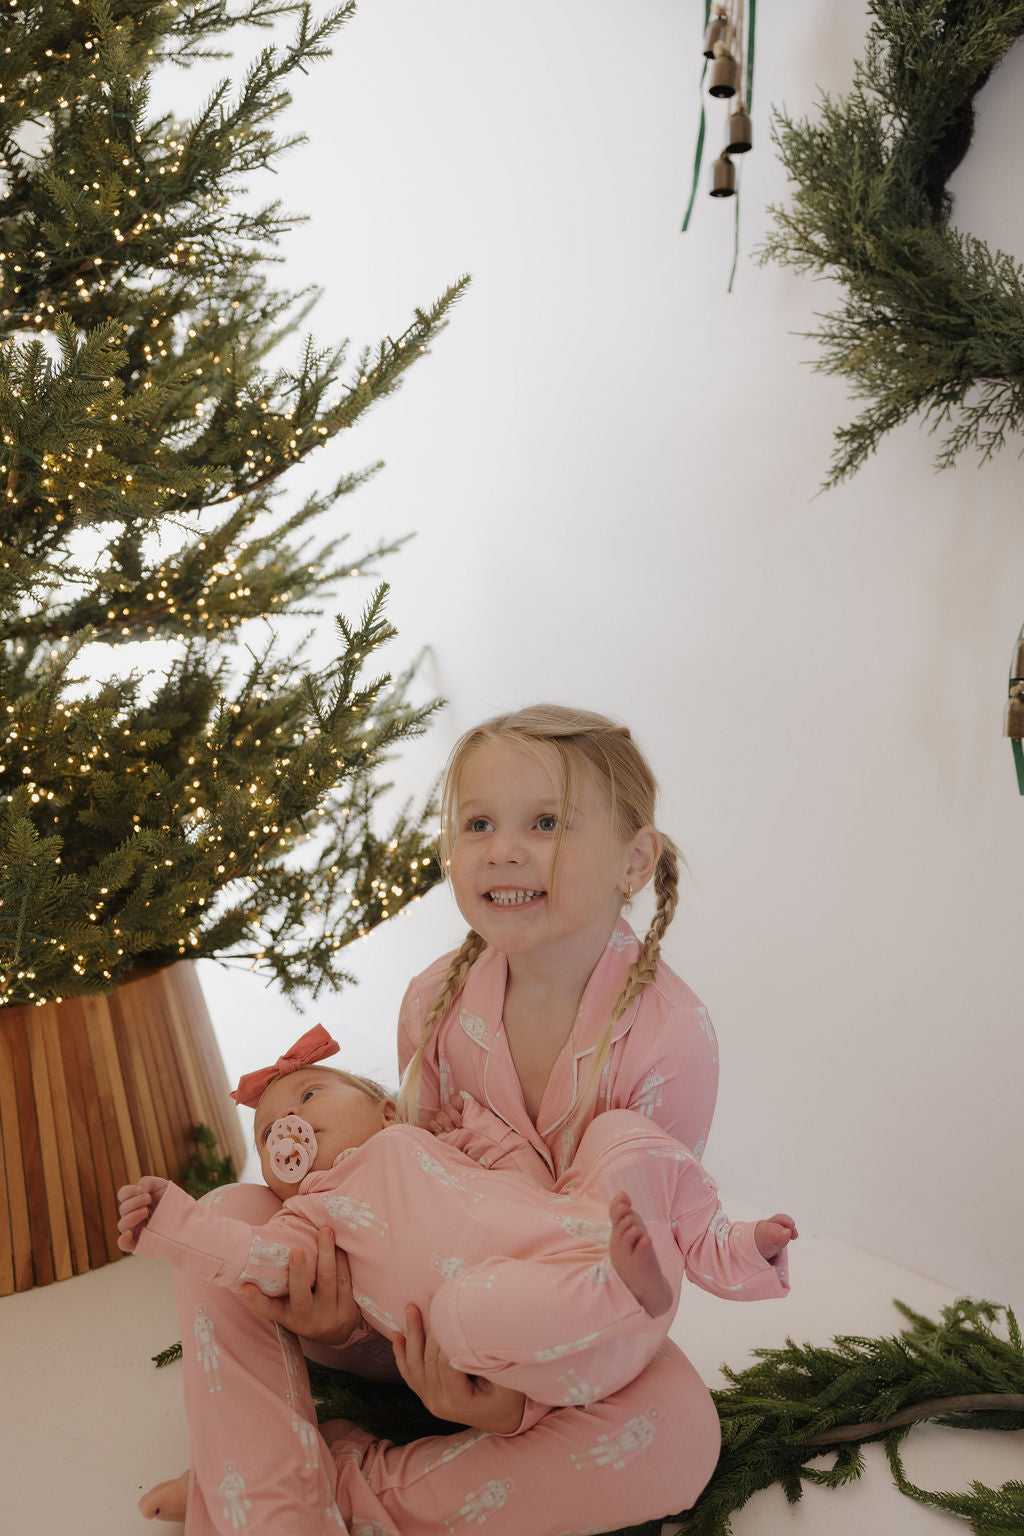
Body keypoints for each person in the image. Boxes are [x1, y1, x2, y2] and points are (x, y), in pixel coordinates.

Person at [139, 704, 785, 1535]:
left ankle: (326, 1482)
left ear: (635, 860)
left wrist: (510, 1403)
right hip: (392, 1314)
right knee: (229, 1215)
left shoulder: (671, 1040)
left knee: (676, 1433)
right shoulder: (433, 1002)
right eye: (479, 824)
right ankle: (263, 1497)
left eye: (546, 822)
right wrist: (340, 1314)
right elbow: (393, 1190)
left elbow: (639, 1270)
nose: (503, 849)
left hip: (545, 1338)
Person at [118, 1047, 794, 1412]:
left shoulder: (424, 1143)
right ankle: (617, 1291)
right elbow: (256, 1256)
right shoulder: (310, 1217)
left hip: (584, 1238)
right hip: (548, 1351)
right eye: (268, 1134)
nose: (288, 1127)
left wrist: (479, 1133)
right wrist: (173, 1220)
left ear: (386, 1111)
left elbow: (527, 1180)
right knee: (457, 1312)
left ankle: (723, 1249)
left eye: (309, 1095)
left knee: (618, 1134)